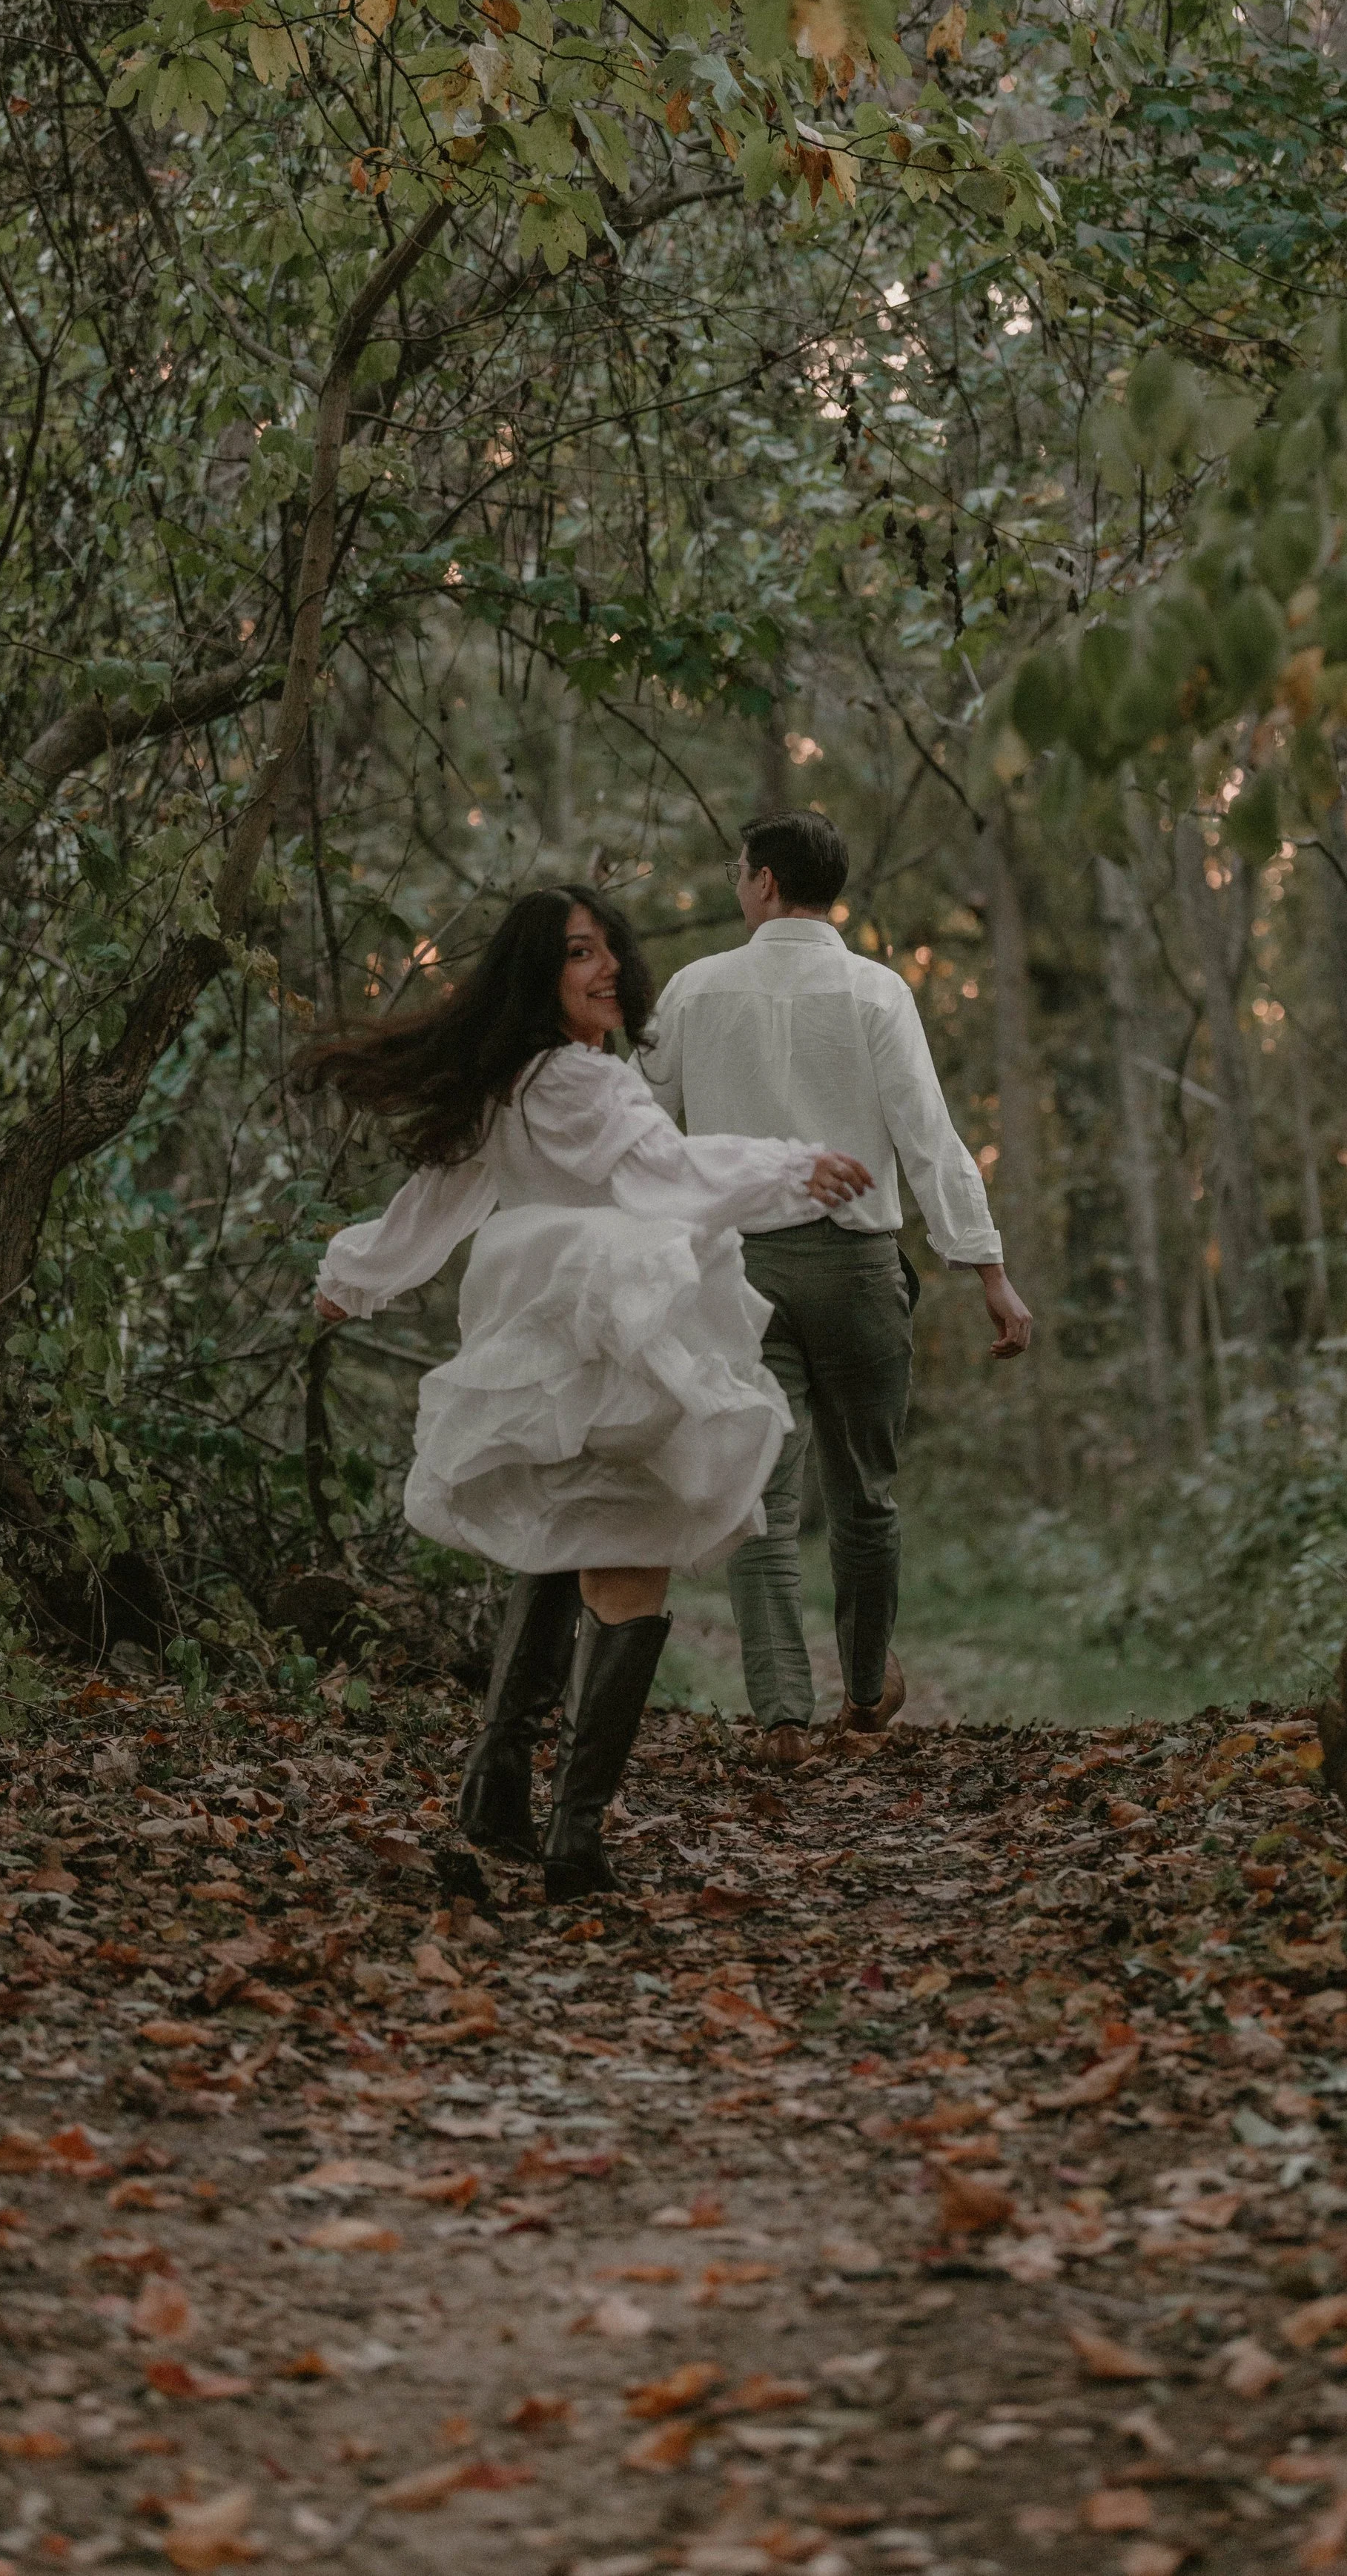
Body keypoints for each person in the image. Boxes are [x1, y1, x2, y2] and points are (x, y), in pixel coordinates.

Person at [300, 886, 872, 1901]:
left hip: (556, 1356)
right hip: (612, 1352)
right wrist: (795, 1169)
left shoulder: (516, 1080)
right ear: (540, 974)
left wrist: (356, 1274)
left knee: (565, 1550)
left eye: (610, 946)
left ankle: (497, 1791)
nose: (605, 966)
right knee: (631, 1563)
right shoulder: (586, 1083)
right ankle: (572, 1834)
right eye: (578, 953)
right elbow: (672, 1171)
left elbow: (439, 1196)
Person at [639, 812, 1032, 1767]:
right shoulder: (876, 993)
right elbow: (929, 1141)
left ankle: (779, 1715)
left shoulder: (692, 992)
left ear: (765, 882)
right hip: (858, 1273)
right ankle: (862, 1696)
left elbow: (643, 1137)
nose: (738, 885)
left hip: (740, 1274)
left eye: (740, 872)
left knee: (763, 1501)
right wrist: (989, 1272)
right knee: (866, 1494)